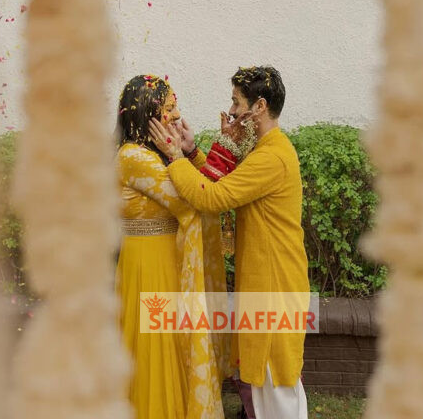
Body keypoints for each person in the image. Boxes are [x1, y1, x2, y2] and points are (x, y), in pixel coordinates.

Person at [149, 66, 310, 419]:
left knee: (276, 383)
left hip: (275, 284)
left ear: (260, 106)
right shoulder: (264, 150)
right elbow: (228, 185)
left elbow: (211, 197)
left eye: (237, 102)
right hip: (266, 280)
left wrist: (174, 157)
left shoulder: (271, 157)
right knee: (264, 380)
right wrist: (192, 152)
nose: (232, 111)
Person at [115, 74, 230, 419]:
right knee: (156, 348)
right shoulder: (133, 157)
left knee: (174, 343)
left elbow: (203, 192)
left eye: (175, 106)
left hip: (167, 258)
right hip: (150, 265)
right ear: (147, 114)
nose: (177, 114)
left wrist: (190, 153)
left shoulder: (158, 156)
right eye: (169, 107)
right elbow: (193, 200)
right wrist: (179, 155)